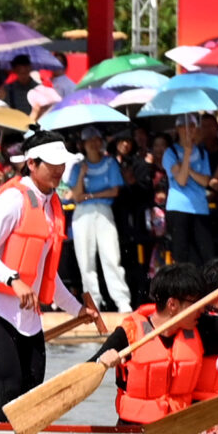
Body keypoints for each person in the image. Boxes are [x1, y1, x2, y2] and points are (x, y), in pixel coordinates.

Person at [0, 139, 85, 422]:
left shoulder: (52, 206)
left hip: (29, 319)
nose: (58, 169)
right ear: (31, 163)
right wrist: (13, 279)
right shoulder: (13, 199)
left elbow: (48, 275)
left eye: (61, 163)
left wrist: (78, 310)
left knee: (32, 395)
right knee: (10, 391)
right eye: (51, 163)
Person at [92, 255, 218, 425]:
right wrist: (102, 362)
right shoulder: (129, 333)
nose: (202, 310)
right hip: (133, 430)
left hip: (179, 429)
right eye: (195, 303)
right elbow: (89, 368)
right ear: (172, 305)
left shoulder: (199, 329)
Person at [67, 128, 128, 312]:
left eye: (96, 139)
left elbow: (114, 191)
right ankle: (93, 301)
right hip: (82, 213)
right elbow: (76, 196)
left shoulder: (110, 162)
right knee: (85, 259)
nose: (94, 143)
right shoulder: (78, 167)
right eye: (89, 140)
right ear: (83, 144)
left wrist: (91, 195)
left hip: (103, 210)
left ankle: (122, 300)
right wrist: (82, 174)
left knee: (111, 255)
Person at [162, 119, 216, 269]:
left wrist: (189, 170)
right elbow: (181, 180)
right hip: (179, 207)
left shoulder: (202, 152)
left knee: (206, 254)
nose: (188, 130)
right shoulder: (170, 152)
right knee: (183, 256)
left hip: (200, 208)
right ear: (177, 129)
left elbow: (205, 181)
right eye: (184, 126)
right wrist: (186, 154)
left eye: (192, 126)